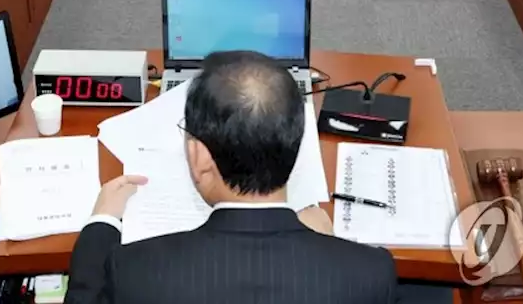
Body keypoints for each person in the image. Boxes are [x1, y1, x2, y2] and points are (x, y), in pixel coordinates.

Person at [64, 51, 399, 304]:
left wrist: (103, 222)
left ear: (199, 156)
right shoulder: (371, 273)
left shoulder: (134, 270)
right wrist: (332, 247)